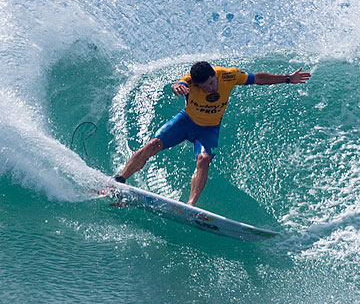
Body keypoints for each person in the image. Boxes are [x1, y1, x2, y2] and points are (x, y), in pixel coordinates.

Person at [113, 60, 311, 207]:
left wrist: (286, 79)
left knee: (204, 159)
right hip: (185, 122)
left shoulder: (228, 75)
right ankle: (120, 181)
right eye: (204, 87)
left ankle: (190, 206)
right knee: (152, 145)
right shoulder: (190, 82)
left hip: (209, 129)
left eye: (210, 83)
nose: (209, 88)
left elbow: (257, 78)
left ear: (214, 75)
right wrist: (177, 87)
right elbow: (178, 85)